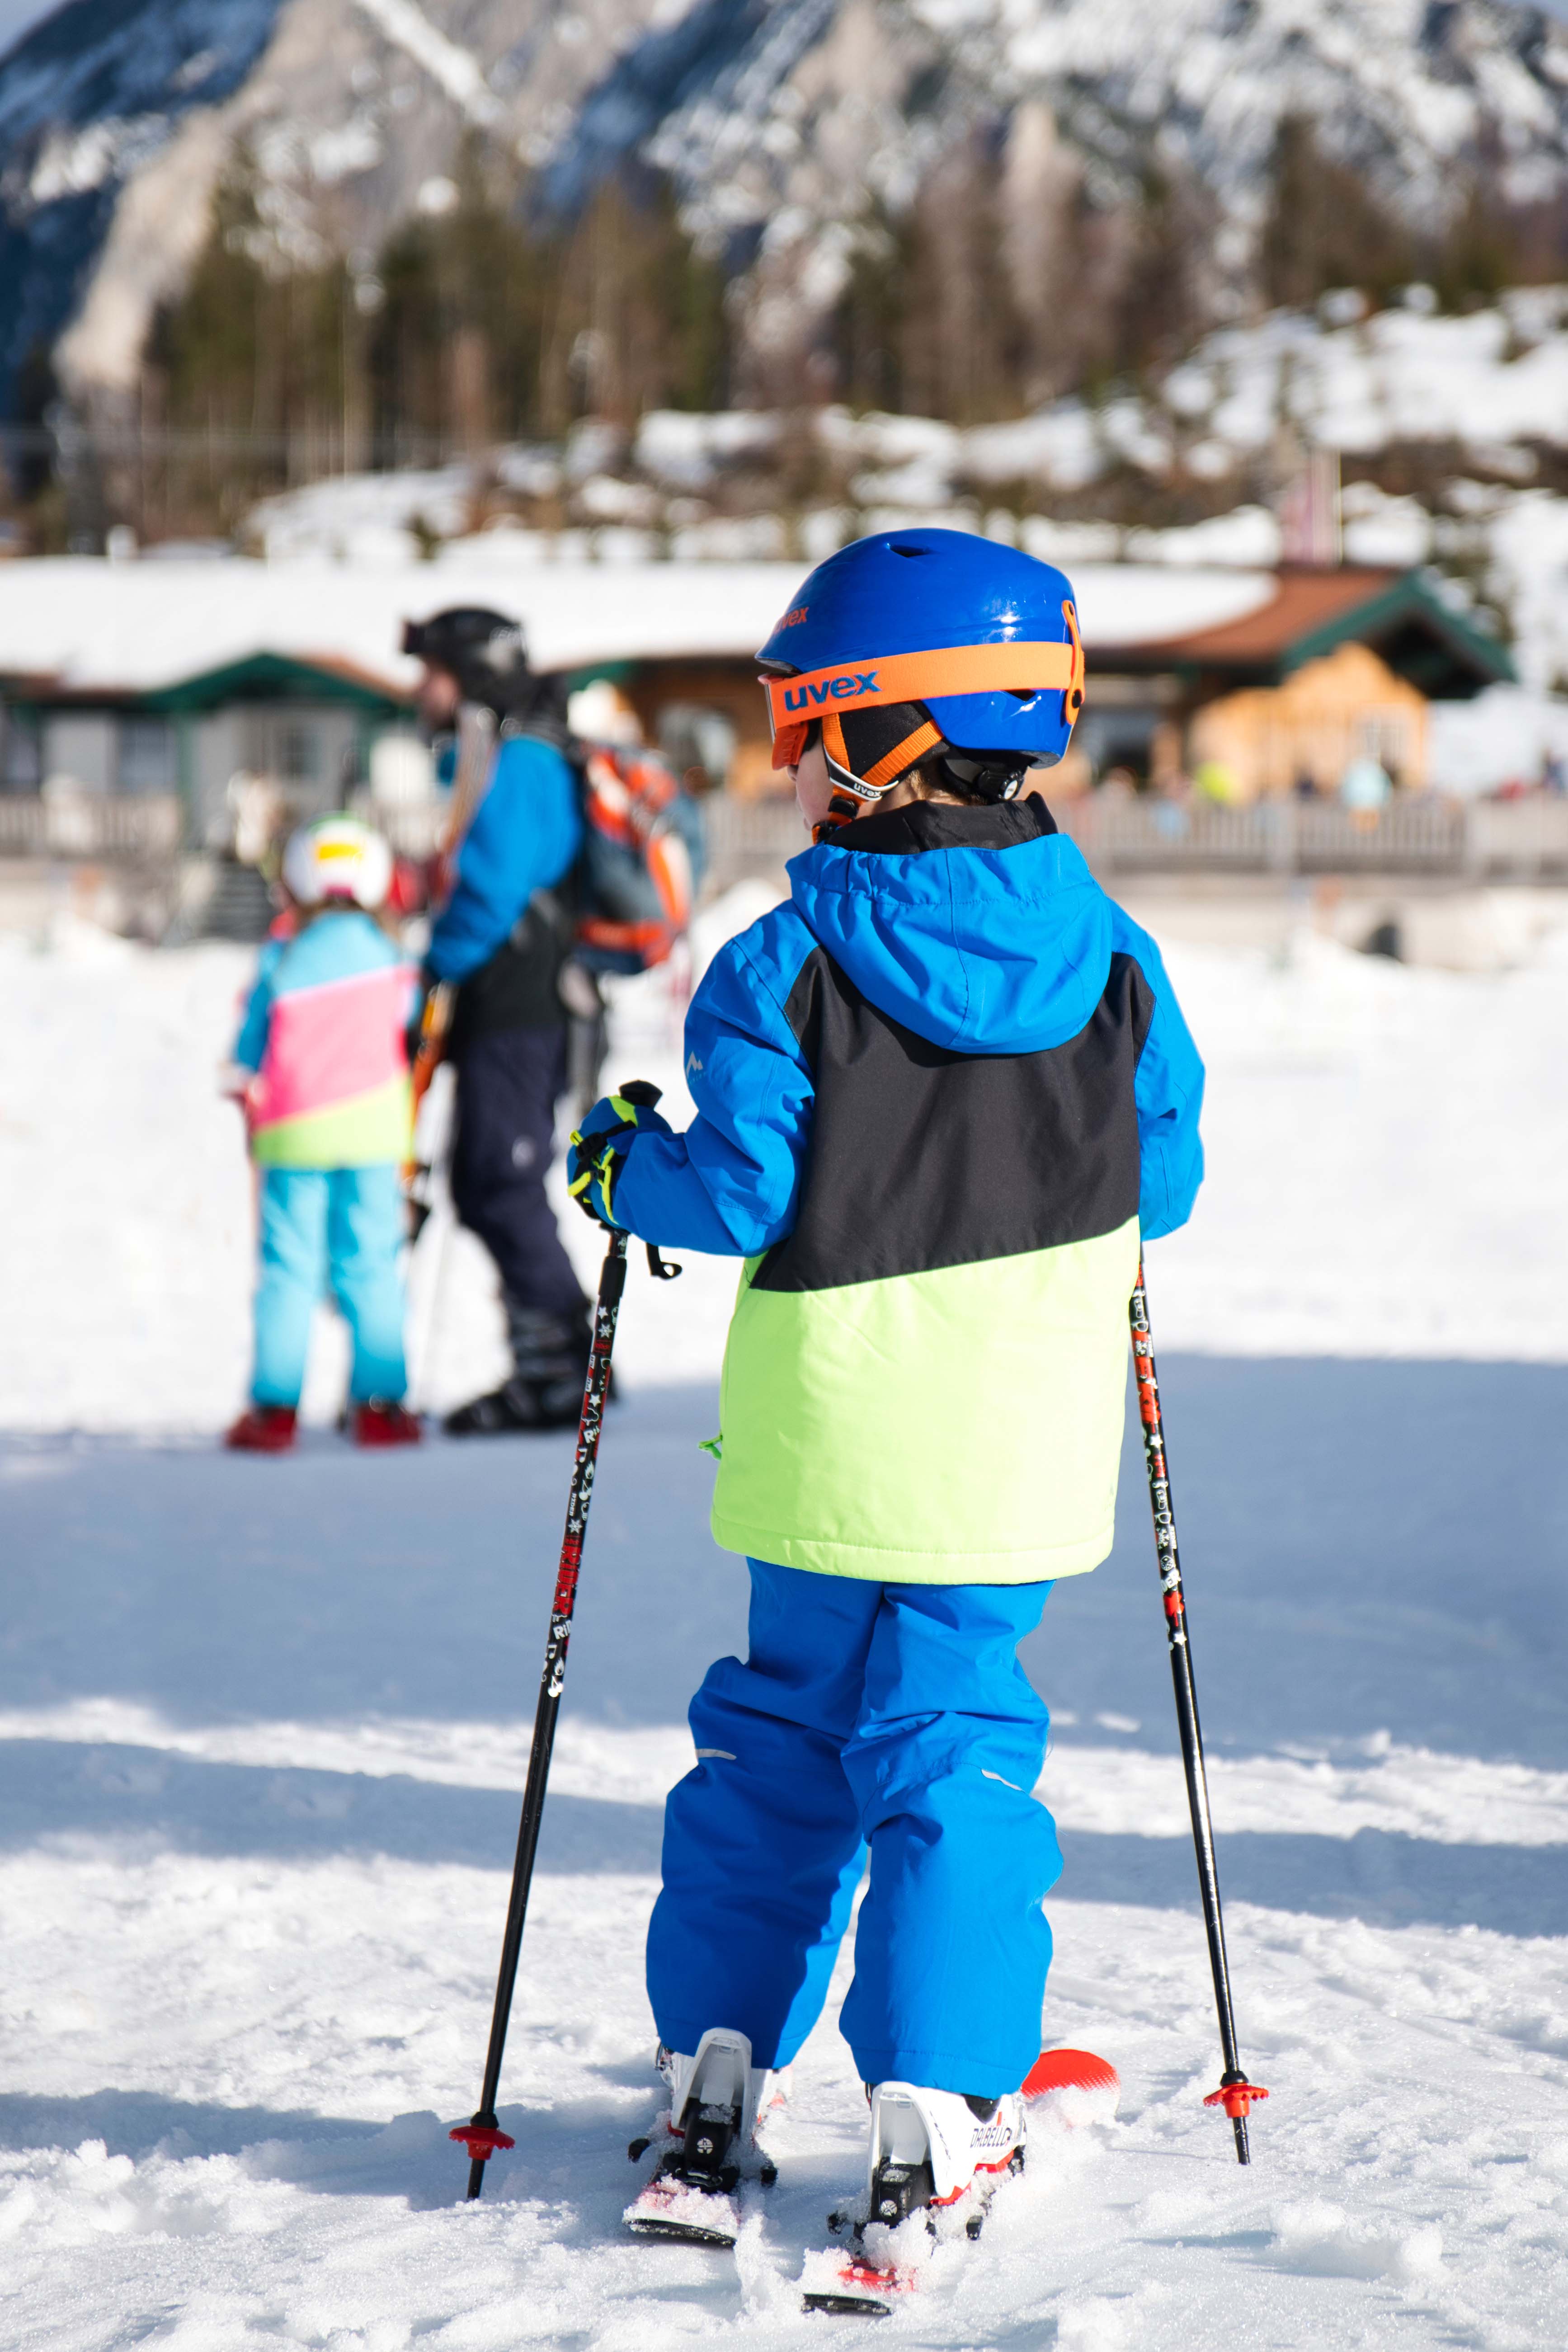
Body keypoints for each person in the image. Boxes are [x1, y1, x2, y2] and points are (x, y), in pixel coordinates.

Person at [567, 529, 1205, 2229]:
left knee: (780, 1738)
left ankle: (715, 2063)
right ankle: (939, 2095)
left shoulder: (783, 960)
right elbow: (1171, 1179)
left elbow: (737, 1188)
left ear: (882, 736)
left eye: (802, 731)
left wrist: (624, 1171)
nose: (789, 768)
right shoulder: (1118, 962)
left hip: (828, 1448)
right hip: (1010, 1451)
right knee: (954, 1752)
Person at [402, 607, 592, 1435]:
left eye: (431, 670)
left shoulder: (522, 760)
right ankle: (564, 1358)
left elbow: (492, 886)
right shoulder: (501, 752)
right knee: (487, 1179)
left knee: (497, 1180)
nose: (420, 688)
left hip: (519, 998)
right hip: (509, 995)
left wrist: (437, 964)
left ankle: (561, 1369)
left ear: (471, 674)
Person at [224, 817, 421, 1453]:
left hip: (293, 1132)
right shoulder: (394, 957)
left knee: (288, 1268)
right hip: (372, 1131)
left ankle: (274, 1412)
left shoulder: (281, 954)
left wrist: (240, 1076)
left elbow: (250, 1040)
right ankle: (382, 1409)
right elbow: (410, 1024)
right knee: (371, 1265)